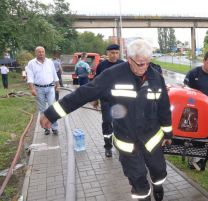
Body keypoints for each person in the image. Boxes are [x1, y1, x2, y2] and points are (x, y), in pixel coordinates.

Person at [39, 39, 172, 201]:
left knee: (158, 170)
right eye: (139, 63)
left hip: (152, 138)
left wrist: (168, 133)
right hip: (127, 140)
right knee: (137, 178)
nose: (143, 68)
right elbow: (82, 94)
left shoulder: (156, 77)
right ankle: (144, 197)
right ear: (129, 59)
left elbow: (164, 106)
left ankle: (158, 185)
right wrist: (52, 113)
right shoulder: (113, 75)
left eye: (146, 63)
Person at [92, 44, 124, 157]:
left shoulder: (123, 65)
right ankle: (108, 147)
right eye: (112, 53)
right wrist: (95, 99)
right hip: (106, 101)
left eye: (116, 52)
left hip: (121, 101)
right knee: (107, 123)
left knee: (121, 124)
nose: (114, 55)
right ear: (107, 53)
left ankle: (121, 147)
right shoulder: (102, 66)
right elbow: (96, 84)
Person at [27, 46, 60, 135]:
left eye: (42, 52)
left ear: (45, 52)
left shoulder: (50, 62)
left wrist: (58, 85)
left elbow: (54, 74)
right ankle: (46, 128)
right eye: (39, 52)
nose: (41, 53)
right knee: (42, 109)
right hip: (39, 89)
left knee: (52, 107)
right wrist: (32, 89)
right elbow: (30, 78)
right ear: (36, 53)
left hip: (50, 88)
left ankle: (54, 127)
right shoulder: (31, 64)